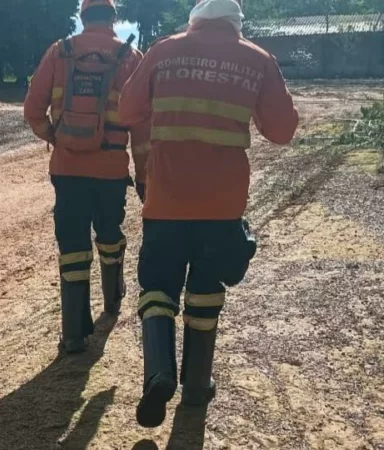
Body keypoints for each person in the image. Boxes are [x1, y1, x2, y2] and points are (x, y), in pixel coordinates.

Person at [118, 0, 299, 428]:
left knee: (158, 287)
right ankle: (197, 386)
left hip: (165, 200)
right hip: (222, 204)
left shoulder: (164, 50)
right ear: (236, 26)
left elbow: (127, 111)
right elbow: (283, 130)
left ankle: (159, 372)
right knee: (206, 287)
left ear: (195, 21)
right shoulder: (257, 59)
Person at [24, 0, 150, 354]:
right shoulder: (131, 57)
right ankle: (112, 302)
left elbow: (32, 110)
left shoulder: (59, 52)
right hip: (111, 170)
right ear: (113, 18)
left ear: (82, 16)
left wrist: (56, 138)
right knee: (110, 235)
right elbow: (141, 129)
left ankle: (74, 334)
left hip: (67, 168)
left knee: (72, 246)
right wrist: (143, 177)